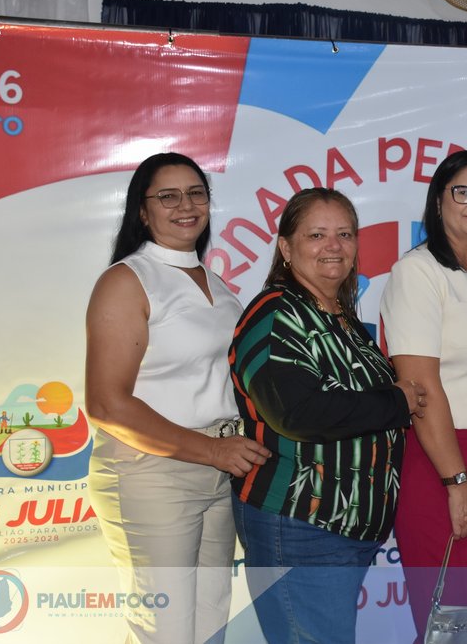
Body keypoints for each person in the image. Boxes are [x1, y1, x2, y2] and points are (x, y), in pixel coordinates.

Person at [86, 152, 271, 644]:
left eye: (195, 193)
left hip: (219, 470)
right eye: (168, 196)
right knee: (164, 632)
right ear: (142, 211)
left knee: (210, 627)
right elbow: (106, 403)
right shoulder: (127, 280)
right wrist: (212, 450)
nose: (185, 206)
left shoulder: (218, 286)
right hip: (151, 473)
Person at [229, 187, 425, 644]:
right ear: (285, 247)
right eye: (316, 235)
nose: (333, 246)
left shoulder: (342, 316)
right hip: (302, 524)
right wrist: (397, 401)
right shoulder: (276, 314)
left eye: (345, 234)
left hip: (348, 529)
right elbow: (297, 413)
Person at [380, 149, 467, 642]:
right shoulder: (418, 272)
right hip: (443, 457)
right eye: (463, 191)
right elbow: (420, 387)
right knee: (452, 620)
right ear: (439, 201)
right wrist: (457, 481)